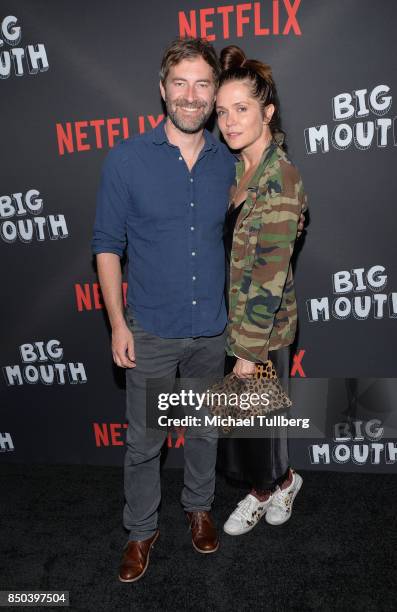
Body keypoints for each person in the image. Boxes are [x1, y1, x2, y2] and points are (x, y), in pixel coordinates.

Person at [92, 37, 306, 582]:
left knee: (208, 430)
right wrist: (118, 323)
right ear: (162, 90)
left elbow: (267, 234)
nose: (193, 96)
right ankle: (141, 532)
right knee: (144, 444)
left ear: (213, 94)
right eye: (181, 83)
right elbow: (106, 246)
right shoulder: (127, 160)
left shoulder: (227, 163)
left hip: (217, 333)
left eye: (203, 85)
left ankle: (198, 508)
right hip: (152, 330)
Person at [215, 45, 307, 536]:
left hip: (262, 330)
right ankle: (276, 483)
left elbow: (269, 277)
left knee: (260, 430)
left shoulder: (281, 179)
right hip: (232, 324)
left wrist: (248, 355)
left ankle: (275, 486)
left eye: (242, 109)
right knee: (244, 431)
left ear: (267, 111)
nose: (229, 122)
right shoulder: (237, 169)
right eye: (222, 111)